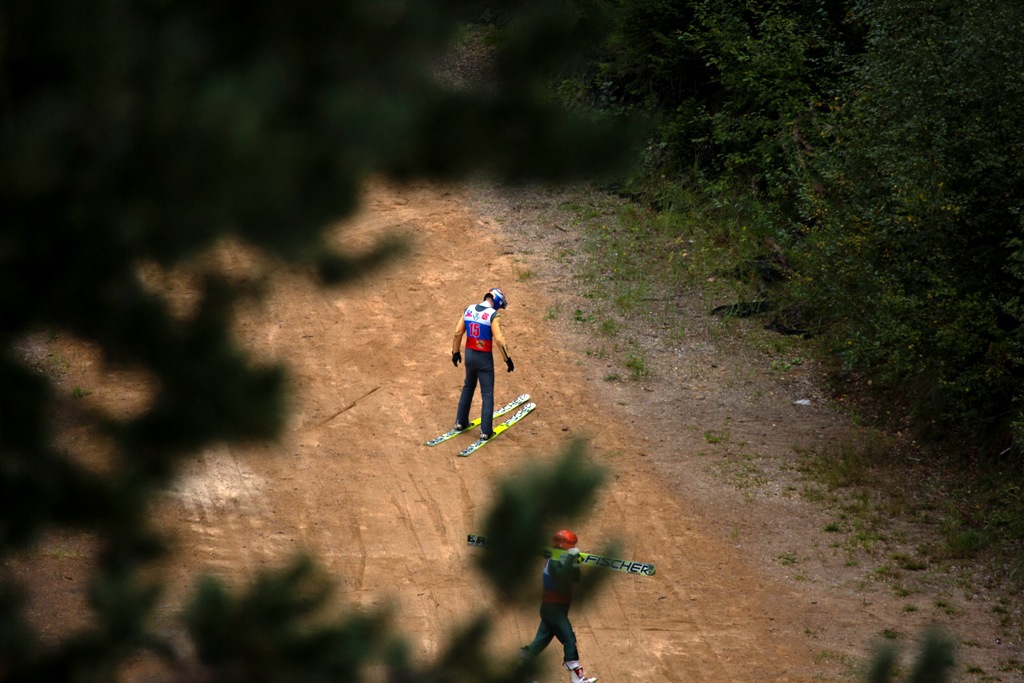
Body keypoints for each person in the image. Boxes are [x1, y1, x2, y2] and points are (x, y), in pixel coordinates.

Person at [519, 529, 598, 683]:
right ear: (562, 544)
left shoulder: (563, 559)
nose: (572, 546)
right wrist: (570, 559)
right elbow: (561, 576)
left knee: (539, 642)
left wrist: (574, 564)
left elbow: (576, 578)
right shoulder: (554, 561)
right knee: (569, 638)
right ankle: (577, 676)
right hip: (553, 609)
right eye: (570, 544)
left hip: (558, 608)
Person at [451, 287, 514, 439]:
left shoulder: (469, 309)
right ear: (497, 302)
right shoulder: (493, 315)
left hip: (469, 355)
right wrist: (508, 359)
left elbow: (458, 332)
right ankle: (486, 431)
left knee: (468, 387)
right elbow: (499, 340)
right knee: (487, 393)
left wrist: (455, 352)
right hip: (484, 358)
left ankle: (460, 422)